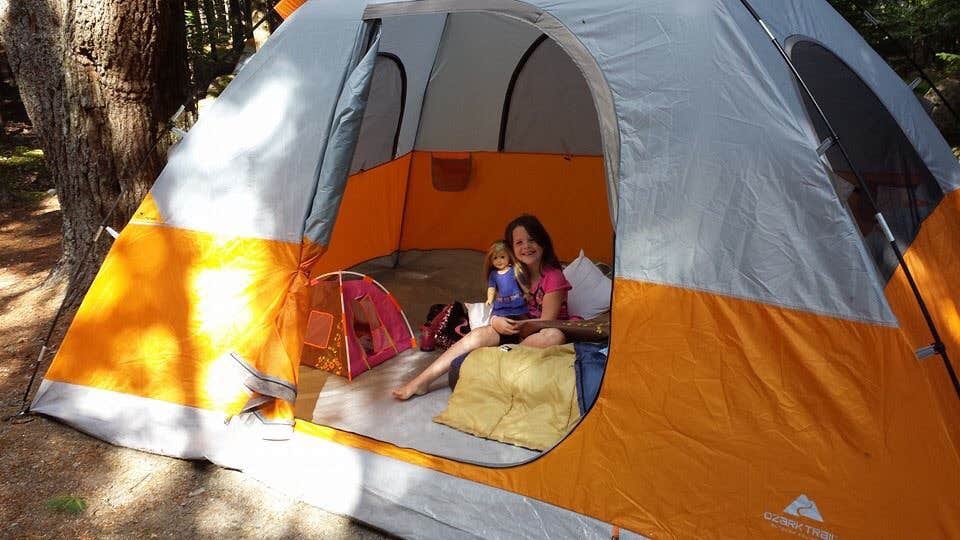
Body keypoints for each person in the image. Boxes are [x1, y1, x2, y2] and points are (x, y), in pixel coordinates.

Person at [392, 215, 572, 400]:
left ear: (543, 242)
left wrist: (513, 326)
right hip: (515, 330)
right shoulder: (513, 274)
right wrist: (496, 321)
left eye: (532, 240)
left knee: (553, 336)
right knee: (479, 334)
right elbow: (500, 307)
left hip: (538, 331)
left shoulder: (553, 276)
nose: (526, 246)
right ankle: (421, 381)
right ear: (511, 249)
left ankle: (494, 366)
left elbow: (545, 322)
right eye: (519, 242)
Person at [484, 240, 528, 318]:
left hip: (516, 301)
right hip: (501, 304)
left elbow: (521, 282)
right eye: (495, 258)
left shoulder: (514, 269)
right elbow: (491, 288)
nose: (499, 261)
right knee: (501, 320)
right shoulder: (493, 274)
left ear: (509, 256)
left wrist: (527, 292)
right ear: (491, 260)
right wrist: (490, 299)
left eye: (502, 257)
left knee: (523, 317)